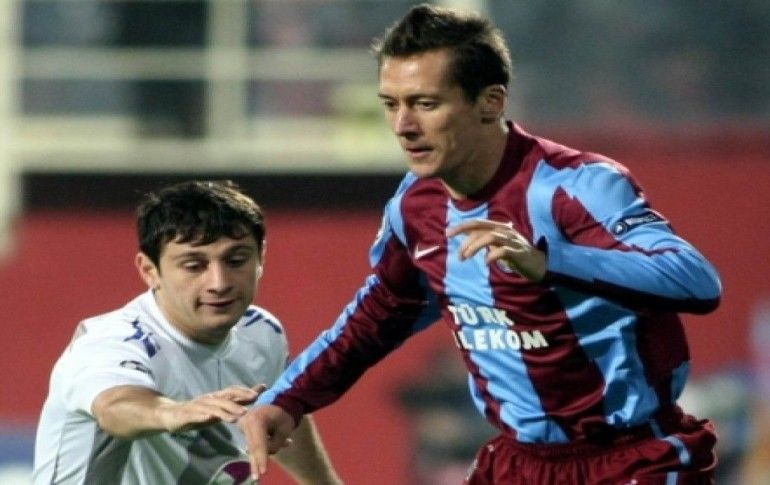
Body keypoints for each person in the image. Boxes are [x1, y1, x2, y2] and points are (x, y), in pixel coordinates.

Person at [240, 4, 722, 484]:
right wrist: (288, 398)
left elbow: (695, 280)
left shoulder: (577, 186)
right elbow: (380, 314)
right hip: (519, 465)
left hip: (631, 459)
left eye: (425, 104)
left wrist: (548, 262)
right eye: (391, 104)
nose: (403, 125)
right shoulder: (415, 206)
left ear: (490, 102)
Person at [33, 180, 342, 485]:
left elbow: (278, 413)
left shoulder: (262, 331)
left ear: (261, 256)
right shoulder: (110, 341)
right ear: (149, 270)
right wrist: (172, 413)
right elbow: (114, 407)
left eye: (236, 260)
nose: (219, 283)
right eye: (194, 266)